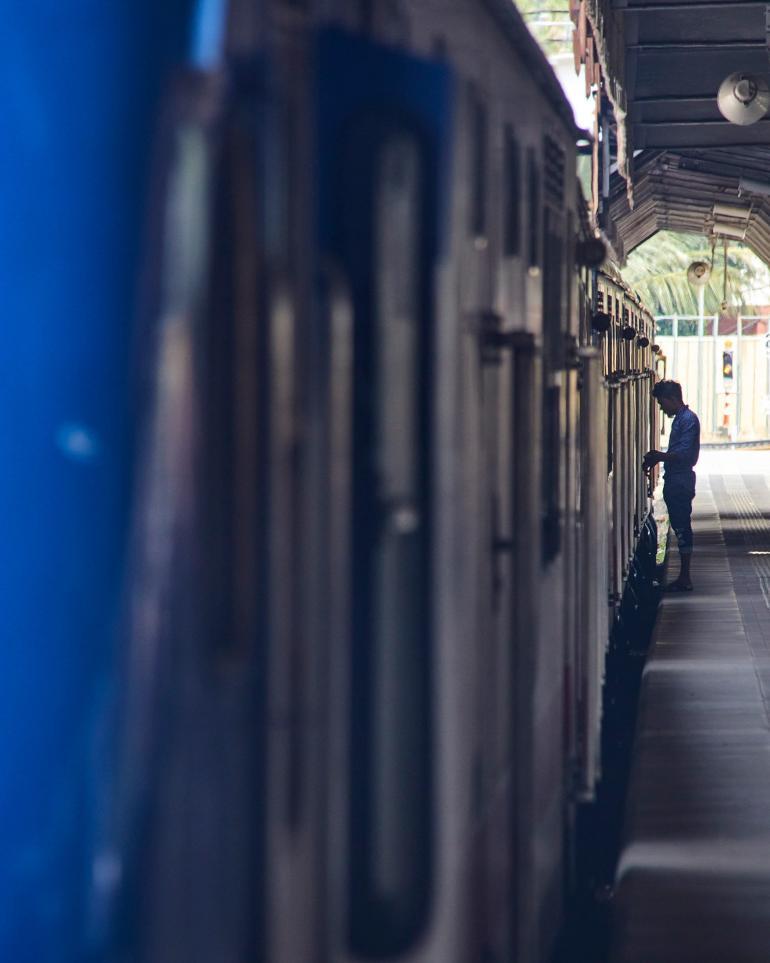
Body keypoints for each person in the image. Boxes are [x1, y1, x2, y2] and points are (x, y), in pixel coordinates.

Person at [643, 380, 700, 592]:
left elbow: (684, 454)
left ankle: (685, 577)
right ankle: (684, 576)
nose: (660, 407)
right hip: (676, 479)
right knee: (679, 526)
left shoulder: (687, 420)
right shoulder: (681, 420)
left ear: (672, 399)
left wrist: (659, 456)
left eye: (661, 402)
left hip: (681, 479)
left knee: (683, 527)